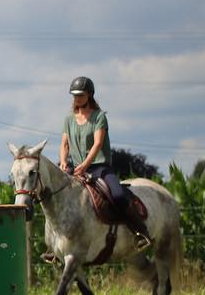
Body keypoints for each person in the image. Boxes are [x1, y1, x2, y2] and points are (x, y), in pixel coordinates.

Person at [58, 75, 151, 250]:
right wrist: (63, 161)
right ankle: (56, 246)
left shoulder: (99, 117)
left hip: (99, 167)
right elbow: (64, 144)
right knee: (58, 196)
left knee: (118, 194)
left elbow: (98, 143)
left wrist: (85, 165)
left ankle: (140, 232)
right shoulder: (68, 120)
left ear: (90, 95)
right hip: (77, 169)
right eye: (74, 95)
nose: (77, 98)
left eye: (81, 95)